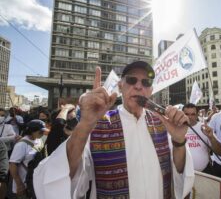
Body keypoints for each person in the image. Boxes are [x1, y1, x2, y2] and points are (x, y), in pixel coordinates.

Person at [34, 61, 195, 199]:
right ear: (120, 86)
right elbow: (63, 174)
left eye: (146, 83)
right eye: (132, 80)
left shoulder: (163, 123)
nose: (139, 86)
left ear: (151, 91)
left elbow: (179, 172)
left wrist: (180, 141)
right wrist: (84, 125)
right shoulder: (98, 124)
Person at [9, 120, 47, 198]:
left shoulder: (39, 140)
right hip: (24, 182)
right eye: (40, 132)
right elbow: (13, 165)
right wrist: (19, 184)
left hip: (36, 180)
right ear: (31, 131)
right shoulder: (21, 145)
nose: (43, 134)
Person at [183, 103, 221, 173]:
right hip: (183, 173)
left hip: (204, 172)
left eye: (193, 114)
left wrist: (211, 137)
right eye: (186, 114)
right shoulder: (176, 129)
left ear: (197, 115)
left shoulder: (204, 128)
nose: (189, 117)